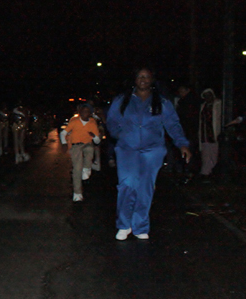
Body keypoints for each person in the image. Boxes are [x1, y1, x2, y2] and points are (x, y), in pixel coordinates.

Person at [106, 68, 192, 241]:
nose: (143, 79)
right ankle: (124, 224)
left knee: (145, 187)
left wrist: (182, 144)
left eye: (146, 77)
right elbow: (112, 121)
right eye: (140, 76)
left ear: (152, 80)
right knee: (127, 183)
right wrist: (120, 134)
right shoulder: (123, 100)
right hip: (127, 148)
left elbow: (173, 124)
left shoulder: (162, 102)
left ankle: (140, 225)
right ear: (135, 80)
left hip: (153, 150)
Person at [59, 103, 101, 202]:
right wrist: (64, 143)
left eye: (87, 111)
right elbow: (63, 133)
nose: (84, 113)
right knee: (77, 169)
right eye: (83, 111)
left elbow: (97, 141)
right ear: (80, 112)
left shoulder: (92, 123)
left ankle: (86, 168)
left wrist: (94, 136)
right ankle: (77, 193)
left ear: (90, 113)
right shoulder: (75, 121)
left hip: (87, 144)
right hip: (76, 145)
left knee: (90, 149)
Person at [198, 88, 222, 178]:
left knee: (214, 153)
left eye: (209, 95)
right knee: (205, 154)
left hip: (214, 132)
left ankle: (212, 171)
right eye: (205, 96)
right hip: (205, 133)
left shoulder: (218, 104)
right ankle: (205, 172)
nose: (208, 97)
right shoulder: (203, 106)